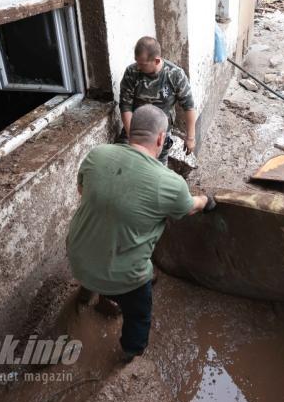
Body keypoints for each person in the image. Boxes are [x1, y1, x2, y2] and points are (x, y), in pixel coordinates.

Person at [67, 105, 214, 362]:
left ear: (130, 130)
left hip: (77, 259)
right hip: (125, 276)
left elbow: (83, 191)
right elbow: (188, 209)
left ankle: (90, 293)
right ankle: (131, 353)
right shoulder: (169, 182)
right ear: (160, 139)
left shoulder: (97, 154)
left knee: (105, 235)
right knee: (139, 314)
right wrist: (205, 200)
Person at [119, 36, 197, 164]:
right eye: (137, 62)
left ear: (156, 60)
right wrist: (131, 137)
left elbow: (189, 107)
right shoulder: (131, 72)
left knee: (157, 169)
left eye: (142, 64)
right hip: (136, 129)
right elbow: (125, 106)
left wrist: (191, 138)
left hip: (160, 132)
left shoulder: (175, 75)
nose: (138, 67)